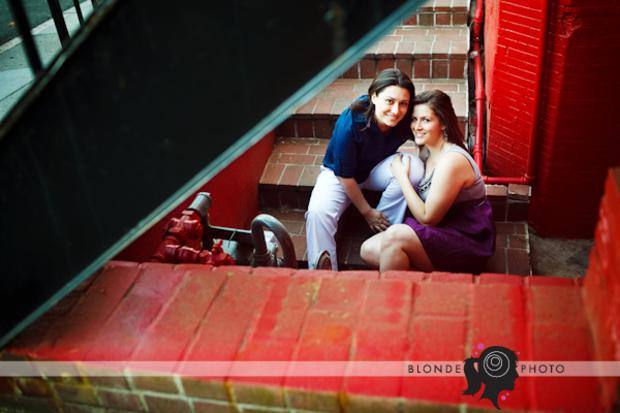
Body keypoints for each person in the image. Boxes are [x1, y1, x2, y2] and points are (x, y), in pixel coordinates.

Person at [360, 89, 495, 273]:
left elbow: (427, 218)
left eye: (426, 120)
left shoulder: (452, 161)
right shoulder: (426, 151)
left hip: (466, 237)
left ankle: (400, 289)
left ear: (443, 124)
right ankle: (426, 280)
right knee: (368, 250)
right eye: (414, 119)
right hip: (443, 226)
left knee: (395, 237)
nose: (417, 126)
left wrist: (402, 177)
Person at [305, 69, 424, 270]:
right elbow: (344, 175)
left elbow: (427, 137)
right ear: (374, 97)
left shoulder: (406, 116)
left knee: (414, 168)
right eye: (389, 101)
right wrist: (367, 212)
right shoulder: (351, 121)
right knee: (317, 213)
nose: (396, 110)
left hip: (375, 168)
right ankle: (323, 273)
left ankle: (384, 236)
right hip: (339, 174)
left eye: (403, 103)